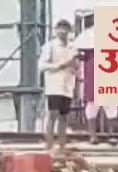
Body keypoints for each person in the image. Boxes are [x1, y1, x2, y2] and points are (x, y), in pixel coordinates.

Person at [40, 19, 78, 151]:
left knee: (64, 116)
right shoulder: (50, 46)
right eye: (60, 28)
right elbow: (42, 66)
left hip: (67, 85)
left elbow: (75, 66)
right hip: (54, 85)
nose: (63, 32)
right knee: (52, 115)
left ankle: (62, 145)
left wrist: (74, 66)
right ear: (56, 31)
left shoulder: (72, 48)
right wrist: (59, 65)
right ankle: (49, 145)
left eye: (65, 29)